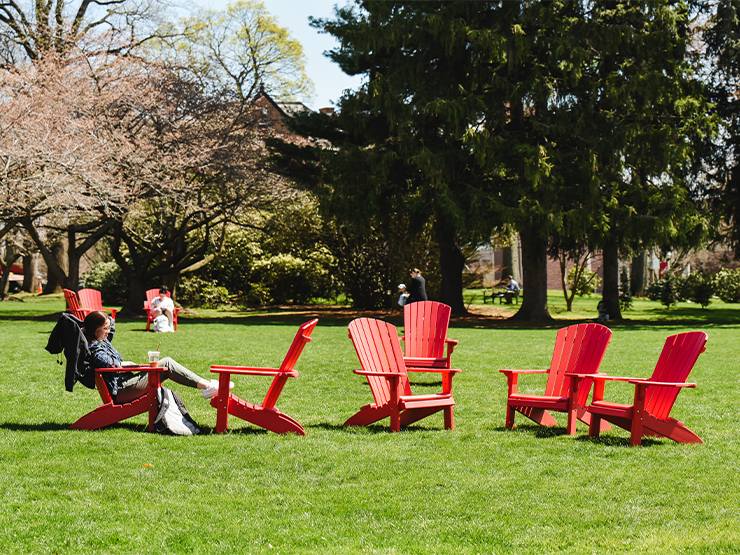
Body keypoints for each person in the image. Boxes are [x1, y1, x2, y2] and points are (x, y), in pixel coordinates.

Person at [81, 311, 231, 405]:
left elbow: (111, 326)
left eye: (108, 327)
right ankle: (207, 387)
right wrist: (126, 364)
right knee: (166, 363)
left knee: (165, 363)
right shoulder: (95, 348)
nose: (108, 331)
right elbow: (110, 365)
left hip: (126, 383)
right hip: (121, 390)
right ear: (95, 329)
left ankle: (207, 386)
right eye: (105, 328)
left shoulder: (102, 340)